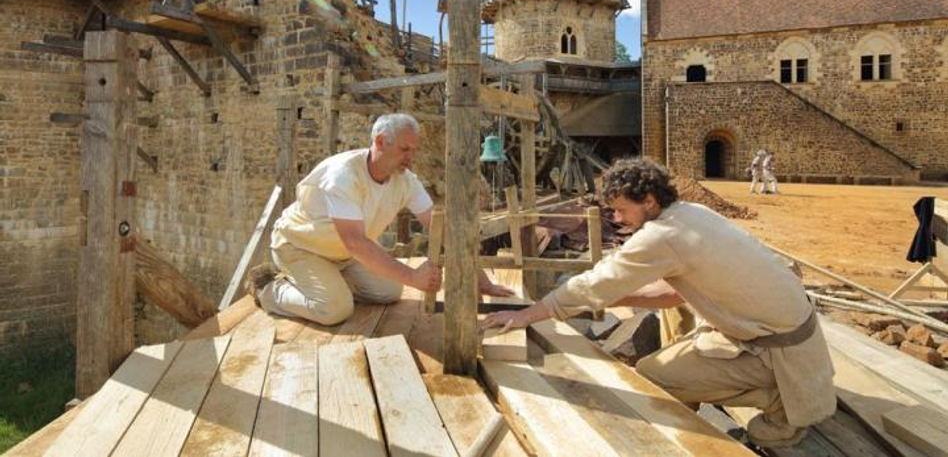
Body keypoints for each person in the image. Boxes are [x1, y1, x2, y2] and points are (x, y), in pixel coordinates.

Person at [483, 157, 836, 448]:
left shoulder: (661, 236)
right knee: (676, 323)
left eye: (622, 210)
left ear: (649, 201)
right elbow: (674, 293)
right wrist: (612, 296)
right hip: (788, 331)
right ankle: (701, 388)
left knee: (652, 375)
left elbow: (596, 281)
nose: (617, 219)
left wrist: (529, 314)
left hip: (778, 353)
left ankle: (782, 404)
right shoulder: (691, 212)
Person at [253, 113, 513, 325]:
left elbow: (439, 229)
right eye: (403, 149)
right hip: (301, 247)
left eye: (413, 149)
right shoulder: (343, 176)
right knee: (334, 310)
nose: (410, 157)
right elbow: (356, 242)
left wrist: (480, 278)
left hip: (342, 254)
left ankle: (329, 282)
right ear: (379, 142)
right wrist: (413, 278)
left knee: (388, 292)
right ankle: (267, 290)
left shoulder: (405, 181)